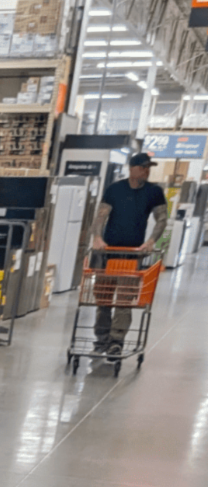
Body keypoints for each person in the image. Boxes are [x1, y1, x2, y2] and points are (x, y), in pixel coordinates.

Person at [91, 151, 168, 358]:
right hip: (108, 253)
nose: (146, 171)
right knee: (103, 299)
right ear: (131, 168)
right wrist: (97, 237)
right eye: (143, 167)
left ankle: (116, 341)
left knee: (124, 300)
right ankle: (101, 338)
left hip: (132, 255)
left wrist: (151, 241)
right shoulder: (114, 189)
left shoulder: (154, 192)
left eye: (148, 168)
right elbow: (100, 216)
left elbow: (162, 218)